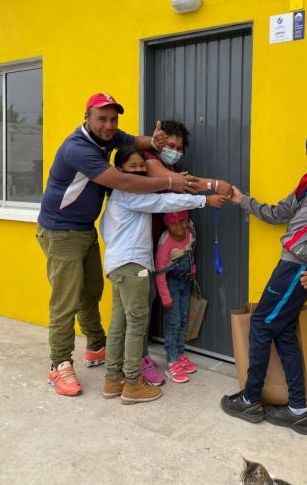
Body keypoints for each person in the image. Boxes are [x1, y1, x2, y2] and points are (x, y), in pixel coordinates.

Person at [36, 93, 198, 397]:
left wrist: (156, 141)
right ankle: (59, 364)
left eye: (113, 119)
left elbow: (139, 141)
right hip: (60, 231)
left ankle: (96, 346)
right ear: (87, 117)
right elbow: (123, 182)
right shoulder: (77, 148)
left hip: (83, 229)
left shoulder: (106, 138)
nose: (109, 125)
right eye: (102, 118)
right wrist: (169, 182)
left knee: (91, 291)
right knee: (66, 300)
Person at [220, 128, 307, 434]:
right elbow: (278, 213)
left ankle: (249, 399)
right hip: (288, 264)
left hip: (300, 269)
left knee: (260, 323)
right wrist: (243, 200)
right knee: (282, 330)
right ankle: (298, 409)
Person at [99, 146, 227, 403]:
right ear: (120, 170)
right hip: (133, 266)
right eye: (131, 166)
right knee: (136, 324)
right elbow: (162, 202)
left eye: (141, 166)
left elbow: (106, 229)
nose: (138, 170)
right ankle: (133, 383)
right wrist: (204, 199)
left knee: (120, 323)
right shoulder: (129, 193)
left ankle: (113, 380)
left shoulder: (116, 197)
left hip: (118, 265)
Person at [139, 119, 232, 386]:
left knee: (174, 312)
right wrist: (214, 186)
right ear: (157, 141)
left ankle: (175, 355)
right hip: (146, 249)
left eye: (179, 147)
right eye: (170, 145)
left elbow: (184, 184)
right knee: (142, 307)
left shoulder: (175, 168)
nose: (174, 150)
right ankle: (140, 359)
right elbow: (178, 184)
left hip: (175, 258)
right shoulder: (147, 159)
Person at [154, 210, 198, 383]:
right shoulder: (165, 244)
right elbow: (159, 273)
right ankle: (172, 361)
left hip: (186, 282)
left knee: (183, 318)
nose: (179, 227)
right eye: (173, 223)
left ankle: (180, 354)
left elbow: (191, 253)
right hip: (171, 284)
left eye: (183, 221)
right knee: (173, 322)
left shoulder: (191, 231)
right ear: (166, 224)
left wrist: (192, 270)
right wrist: (165, 298)